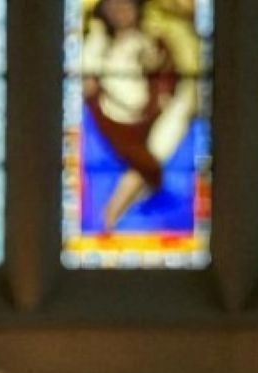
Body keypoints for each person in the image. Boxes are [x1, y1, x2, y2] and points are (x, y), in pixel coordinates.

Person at [80, 0, 197, 232]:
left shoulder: (155, 41)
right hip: (115, 117)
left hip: (158, 114)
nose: (121, 12)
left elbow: (171, 75)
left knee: (176, 119)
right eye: (113, 8)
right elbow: (87, 81)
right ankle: (110, 216)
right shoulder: (100, 44)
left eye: (126, 5)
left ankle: (115, 210)